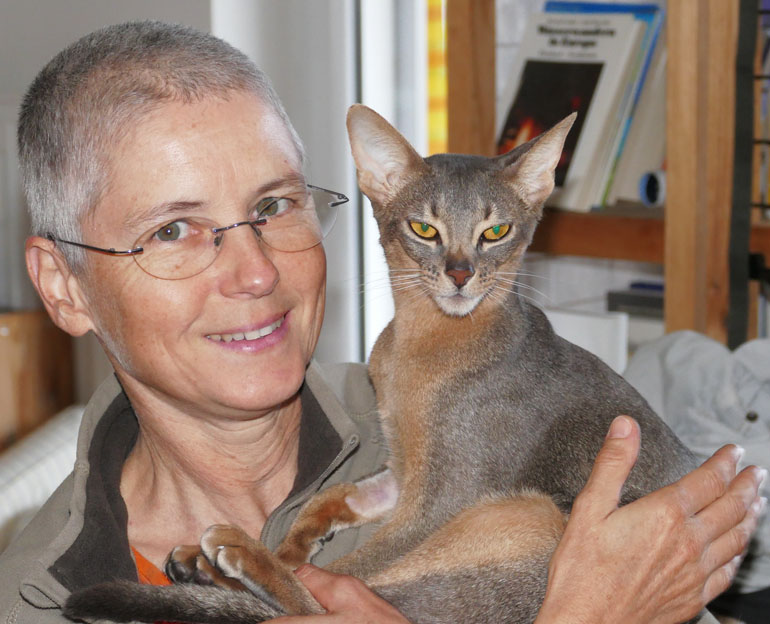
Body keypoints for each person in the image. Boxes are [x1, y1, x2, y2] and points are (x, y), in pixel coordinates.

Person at [0, 21, 764, 624]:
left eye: (275, 207)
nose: (257, 272)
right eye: (173, 230)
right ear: (64, 287)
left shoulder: (413, 413)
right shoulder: (34, 599)